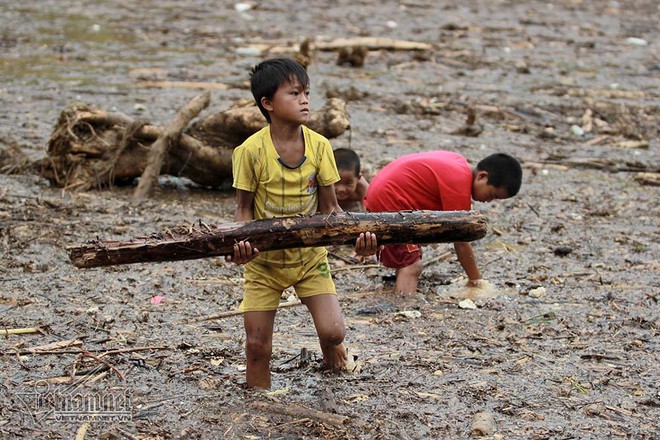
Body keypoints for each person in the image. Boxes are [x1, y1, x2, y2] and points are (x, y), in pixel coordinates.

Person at [226, 58, 378, 389]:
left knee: (333, 331)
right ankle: (258, 403)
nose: (305, 100)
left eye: (306, 92)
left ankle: (333, 363)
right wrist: (241, 245)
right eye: (294, 93)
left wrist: (359, 238)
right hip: (264, 264)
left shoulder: (320, 146)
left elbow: (331, 209)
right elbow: (243, 211)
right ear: (267, 104)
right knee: (256, 348)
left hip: (309, 260)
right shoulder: (250, 151)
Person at [364, 150, 522, 295]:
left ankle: (400, 290)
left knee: (410, 253)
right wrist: (476, 282)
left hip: (382, 191)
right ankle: (403, 309)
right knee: (412, 265)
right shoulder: (459, 182)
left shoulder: (459, 164)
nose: (488, 201)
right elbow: (461, 241)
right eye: (492, 195)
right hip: (389, 199)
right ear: (482, 176)